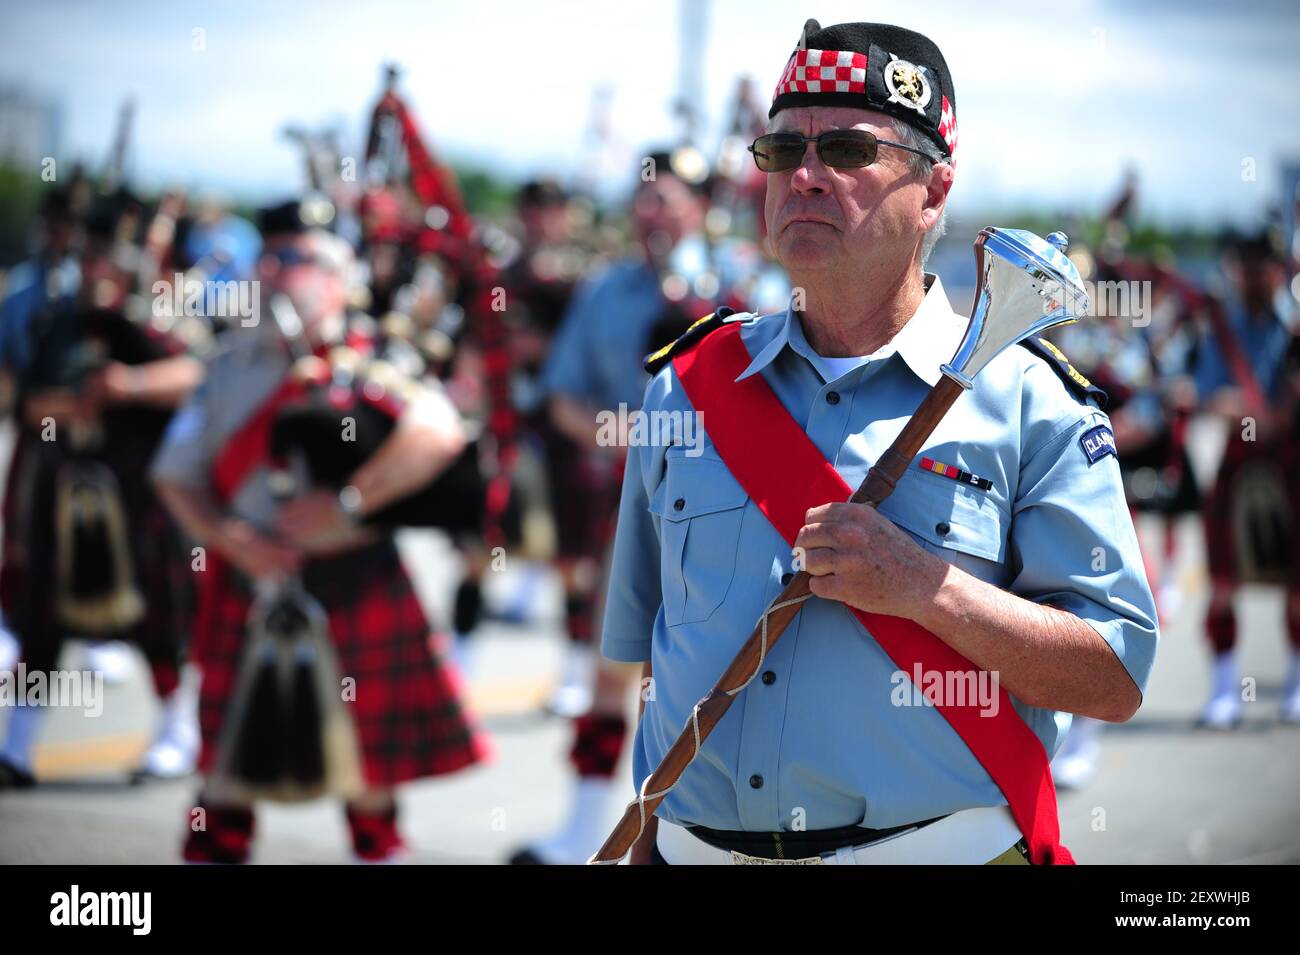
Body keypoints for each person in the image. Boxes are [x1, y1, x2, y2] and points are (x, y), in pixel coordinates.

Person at [601, 20, 1158, 864]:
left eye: (850, 151)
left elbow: (1115, 675)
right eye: (784, 152)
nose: (808, 179)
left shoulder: (1027, 401)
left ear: (934, 192)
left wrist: (926, 589)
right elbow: (653, 657)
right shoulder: (682, 389)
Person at [151, 206, 490, 862]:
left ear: (338, 280)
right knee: (223, 773)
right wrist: (229, 538)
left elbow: (439, 432)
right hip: (248, 581)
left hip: (353, 577)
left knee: (367, 775)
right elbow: (175, 475)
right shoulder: (228, 363)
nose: (275, 273)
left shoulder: (376, 358)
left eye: (295, 259)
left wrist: (350, 502)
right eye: (268, 258)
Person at [507, 152, 784, 865]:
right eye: (642, 199)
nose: (650, 214)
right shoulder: (603, 290)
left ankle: (709, 840)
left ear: (700, 207)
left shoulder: (747, 284)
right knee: (612, 669)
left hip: (732, 514)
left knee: (713, 676)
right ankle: (585, 830)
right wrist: (627, 431)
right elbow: (561, 393)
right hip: (626, 505)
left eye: (665, 199)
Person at [0, 191, 203, 787]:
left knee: (156, 626)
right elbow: (28, 400)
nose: (94, 269)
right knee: (41, 623)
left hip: (140, 501)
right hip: (65, 496)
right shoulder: (54, 318)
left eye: (106, 256)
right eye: (88, 255)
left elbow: (197, 377)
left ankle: (177, 733)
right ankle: (17, 746)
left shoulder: (160, 319)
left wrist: (129, 386)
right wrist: (71, 405)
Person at [1191, 232, 1300, 728]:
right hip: (1239, 457)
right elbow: (1206, 390)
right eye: (1246, 267)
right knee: (1222, 581)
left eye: (1262, 267)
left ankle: (1296, 683)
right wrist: (1231, 404)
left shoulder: (1294, 326)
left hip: (1292, 460)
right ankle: (1223, 688)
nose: (1254, 278)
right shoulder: (1220, 327)